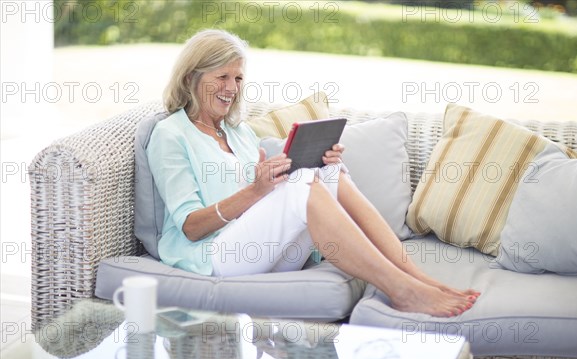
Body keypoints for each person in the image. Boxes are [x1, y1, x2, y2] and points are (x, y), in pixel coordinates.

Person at [147, 29, 479, 318]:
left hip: (262, 253)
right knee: (305, 183)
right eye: (222, 77)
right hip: (216, 258)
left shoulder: (237, 133)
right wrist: (255, 191)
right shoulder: (170, 134)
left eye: (238, 78)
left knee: (328, 172)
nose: (232, 88)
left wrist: (317, 162)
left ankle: (417, 277)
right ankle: (403, 291)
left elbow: (269, 198)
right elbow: (190, 227)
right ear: (192, 76)